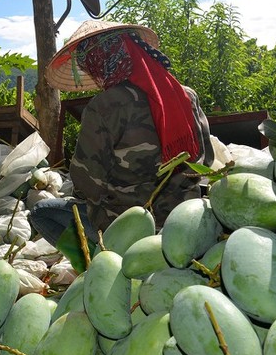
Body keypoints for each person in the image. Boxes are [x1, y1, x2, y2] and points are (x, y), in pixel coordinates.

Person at [29, 20, 215, 246]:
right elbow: (207, 159)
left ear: (99, 62)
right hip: (185, 219)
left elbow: (87, 184)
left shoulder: (105, 106)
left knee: (41, 211)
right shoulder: (186, 96)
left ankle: (97, 263)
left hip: (126, 226)